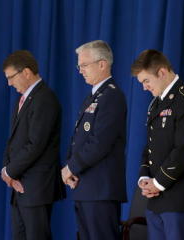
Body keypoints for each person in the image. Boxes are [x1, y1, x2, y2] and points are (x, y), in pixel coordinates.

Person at [131, 49, 184, 240]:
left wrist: (158, 183)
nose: (144, 87)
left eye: (146, 81)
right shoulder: (155, 104)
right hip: (155, 199)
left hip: (178, 199)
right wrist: (144, 177)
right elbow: (150, 145)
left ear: (161, 72)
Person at [61, 40, 127, 240]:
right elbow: (78, 139)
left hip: (101, 189)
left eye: (84, 65)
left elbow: (100, 142)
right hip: (85, 186)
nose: (80, 70)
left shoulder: (111, 96)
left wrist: (71, 167)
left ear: (102, 64)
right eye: (79, 66)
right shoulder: (93, 97)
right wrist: (71, 168)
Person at [1, 50, 65, 240]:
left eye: (11, 77)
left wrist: (10, 171)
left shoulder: (44, 99)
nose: (9, 83)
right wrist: (8, 172)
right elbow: (13, 141)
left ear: (26, 72)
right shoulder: (25, 99)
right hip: (20, 185)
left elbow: (35, 144)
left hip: (36, 187)